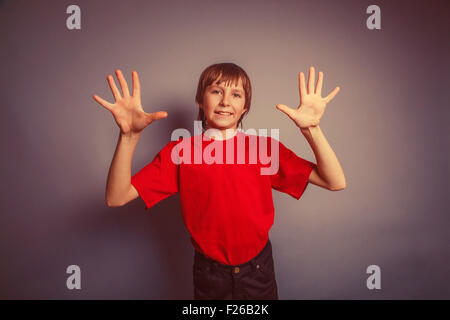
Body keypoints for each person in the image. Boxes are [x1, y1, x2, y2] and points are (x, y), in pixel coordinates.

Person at [93, 63, 346, 300]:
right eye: (216, 91)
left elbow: (334, 181)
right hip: (209, 275)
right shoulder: (181, 152)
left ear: (246, 106)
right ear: (200, 100)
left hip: (258, 269)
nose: (225, 101)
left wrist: (311, 129)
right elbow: (117, 197)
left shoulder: (265, 148)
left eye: (236, 94)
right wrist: (128, 136)